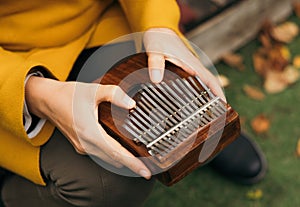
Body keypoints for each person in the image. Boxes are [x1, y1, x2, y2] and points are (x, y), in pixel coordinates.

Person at [0, 0, 267, 206]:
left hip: (102, 19)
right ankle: (12, 195)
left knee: (185, 97)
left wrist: (159, 24)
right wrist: (34, 94)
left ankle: (195, 143)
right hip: (11, 65)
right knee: (110, 183)